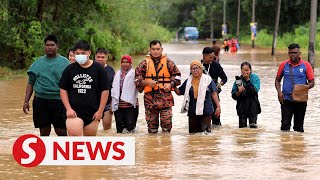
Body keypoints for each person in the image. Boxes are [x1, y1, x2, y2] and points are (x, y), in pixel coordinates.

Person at [59, 40, 109, 136]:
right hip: (74, 112)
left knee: (90, 142)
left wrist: (100, 111)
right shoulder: (69, 69)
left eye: (83, 53)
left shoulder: (99, 69)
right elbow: (63, 89)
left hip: (93, 112)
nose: (80, 55)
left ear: (89, 53)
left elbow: (105, 91)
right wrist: (68, 109)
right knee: (75, 140)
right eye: (77, 53)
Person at [22, 35, 70, 136]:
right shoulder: (38, 62)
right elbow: (31, 82)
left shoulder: (65, 63)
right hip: (41, 101)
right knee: (44, 131)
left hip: (60, 101)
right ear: (44, 47)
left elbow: (70, 84)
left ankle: (64, 151)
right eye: (47, 45)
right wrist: (26, 101)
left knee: (61, 131)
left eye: (52, 45)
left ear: (57, 46)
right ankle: (45, 151)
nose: (49, 47)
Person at [135, 40, 181, 133]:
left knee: (167, 127)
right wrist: (146, 83)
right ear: (150, 50)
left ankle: (166, 146)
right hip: (150, 101)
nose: (155, 51)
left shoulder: (169, 63)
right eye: (153, 49)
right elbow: (136, 80)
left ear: (161, 49)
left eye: (157, 49)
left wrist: (171, 84)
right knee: (152, 129)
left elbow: (178, 76)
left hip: (166, 100)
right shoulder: (143, 64)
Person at [275, 43, 315, 132]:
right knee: (285, 126)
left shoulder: (306, 65)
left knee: (299, 127)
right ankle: (285, 145)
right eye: (291, 53)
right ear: (288, 53)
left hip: (301, 101)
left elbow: (312, 82)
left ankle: (299, 145)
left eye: (295, 53)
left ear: (299, 53)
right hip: (286, 100)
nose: (293, 55)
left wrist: (301, 89)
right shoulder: (283, 65)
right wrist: (279, 93)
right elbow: (277, 80)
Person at [174, 60, 221, 133]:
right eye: (193, 69)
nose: (195, 70)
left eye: (197, 68)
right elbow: (179, 92)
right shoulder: (188, 81)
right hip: (192, 112)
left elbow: (214, 93)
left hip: (206, 111)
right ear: (190, 70)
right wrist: (172, 85)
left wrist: (218, 107)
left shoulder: (208, 80)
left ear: (201, 69)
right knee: (193, 135)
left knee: (206, 135)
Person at [201, 47, 228, 127]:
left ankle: (216, 137)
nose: (212, 59)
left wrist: (220, 84)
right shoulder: (197, 66)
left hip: (214, 94)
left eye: (213, 57)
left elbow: (224, 78)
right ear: (204, 56)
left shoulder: (216, 65)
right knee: (203, 118)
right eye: (210, 57)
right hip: (201, 96)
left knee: (216, 119)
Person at [112, 55, 139, 133]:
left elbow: (139, 87)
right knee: (119, 130)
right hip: (118, 106)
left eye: (127, 62)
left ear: (131, 63)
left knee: (130, 129)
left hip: (130, 105)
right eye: (123, 62)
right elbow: (113, 89)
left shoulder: (135, 73)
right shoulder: (117, 74)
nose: (125, 64)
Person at [231, 62, 261, 128]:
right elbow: (233, 95)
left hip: (253, 106)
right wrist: (239, 92)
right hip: (242, 107)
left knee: (253, 128)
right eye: (243, 70)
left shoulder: (255, 78)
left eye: (247, 70)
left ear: (250, 70)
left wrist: (247, 80)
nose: (245, 72)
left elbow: (254, 90)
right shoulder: (238, 80)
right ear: (241, 71)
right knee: (242, 129)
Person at [95, 48, 115, 131]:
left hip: (107, 104)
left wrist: (112, 104)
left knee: (107, 130)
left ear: (107, 57)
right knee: (92, 130)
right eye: (98, 57)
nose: (100, 59)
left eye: (102, 57)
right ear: (95, 57)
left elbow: (114, 88)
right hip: (93, 104)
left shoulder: (111, 70)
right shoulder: (90, 68)